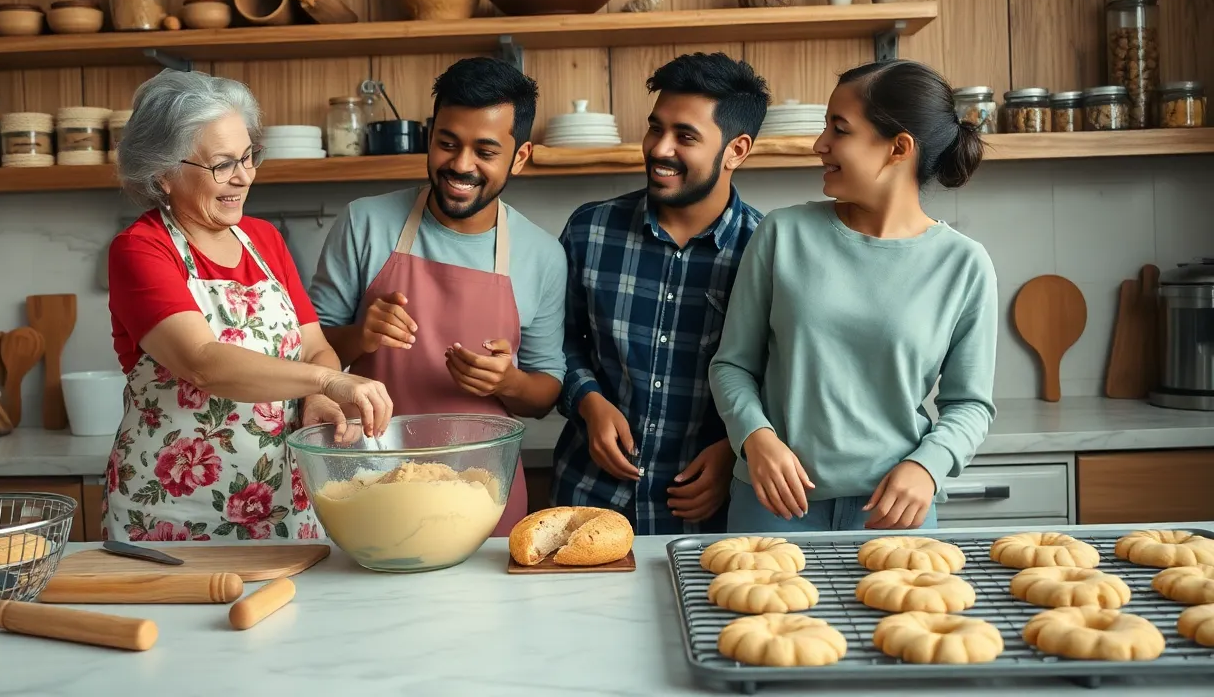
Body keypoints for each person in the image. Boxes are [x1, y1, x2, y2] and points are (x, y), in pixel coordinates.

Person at [104, 69, 393, 542]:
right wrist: (328, 380)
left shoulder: (264, 239)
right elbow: (203, 363)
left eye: (248, 157)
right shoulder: (140, 249)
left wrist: (317, 396)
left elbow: (314, 346)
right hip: (174, 518)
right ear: (162, 171)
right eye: (222, 164)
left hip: (283, 504)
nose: (243, 176)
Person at [709, 59, 998, 533]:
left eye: (839, 129)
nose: (819, 144)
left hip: (894, 512)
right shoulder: (782, 234)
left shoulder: (964, 264)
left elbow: (970, 403)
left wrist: (928, 466)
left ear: (898, 147)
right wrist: (755, 438)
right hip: (774, 505)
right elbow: (732, 365)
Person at [307, 57, 567, 537]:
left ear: (521, 156)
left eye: (485, 150)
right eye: (448, 143)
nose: (460, 165)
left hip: (484, 494)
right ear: (430, 136)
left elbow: (546, 390)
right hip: (371, 483)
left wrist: (506, 382)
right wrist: (360, 337)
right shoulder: (364, 223)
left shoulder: (542, 254)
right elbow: (305, 354)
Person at [552, 52, 771, 535]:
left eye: (685, 136)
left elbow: (784, 377)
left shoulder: (767, 249)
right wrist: (588, 400)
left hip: (711, 514)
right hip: (587, 501)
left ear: (736, 150)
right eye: (656, 128)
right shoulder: (590, 230)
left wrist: (736, 447)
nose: (659, 148)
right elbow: (556, 342)